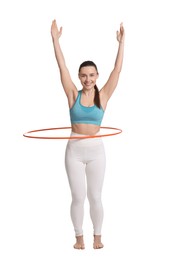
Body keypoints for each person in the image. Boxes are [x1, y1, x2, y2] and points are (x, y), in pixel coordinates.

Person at [51, 19, 125, 249]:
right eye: (84, 75)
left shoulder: (102, 97)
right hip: (74, 150)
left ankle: (98, 236)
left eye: (92, 75)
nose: (88, 79)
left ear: (97, 76)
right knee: (77, 197)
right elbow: (62, 67)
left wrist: (122, 43)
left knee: (95, 196)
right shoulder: (73, 94)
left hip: (96, 151)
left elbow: (118, 69)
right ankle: (79, 237)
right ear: (79, 76)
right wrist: (55, 40)